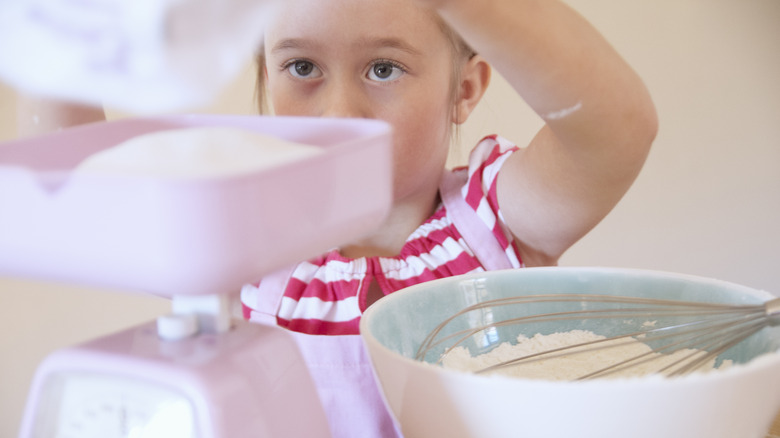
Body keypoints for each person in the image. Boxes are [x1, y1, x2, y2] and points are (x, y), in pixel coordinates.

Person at [17, 1, 657, 436]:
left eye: (384, 68)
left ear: (464, 90)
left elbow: (615, 127)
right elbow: (74, 178)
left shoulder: (497, 220)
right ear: (267, 80)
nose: (338, 112)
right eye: (302, 68)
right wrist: (60, 30)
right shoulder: (239, 238)